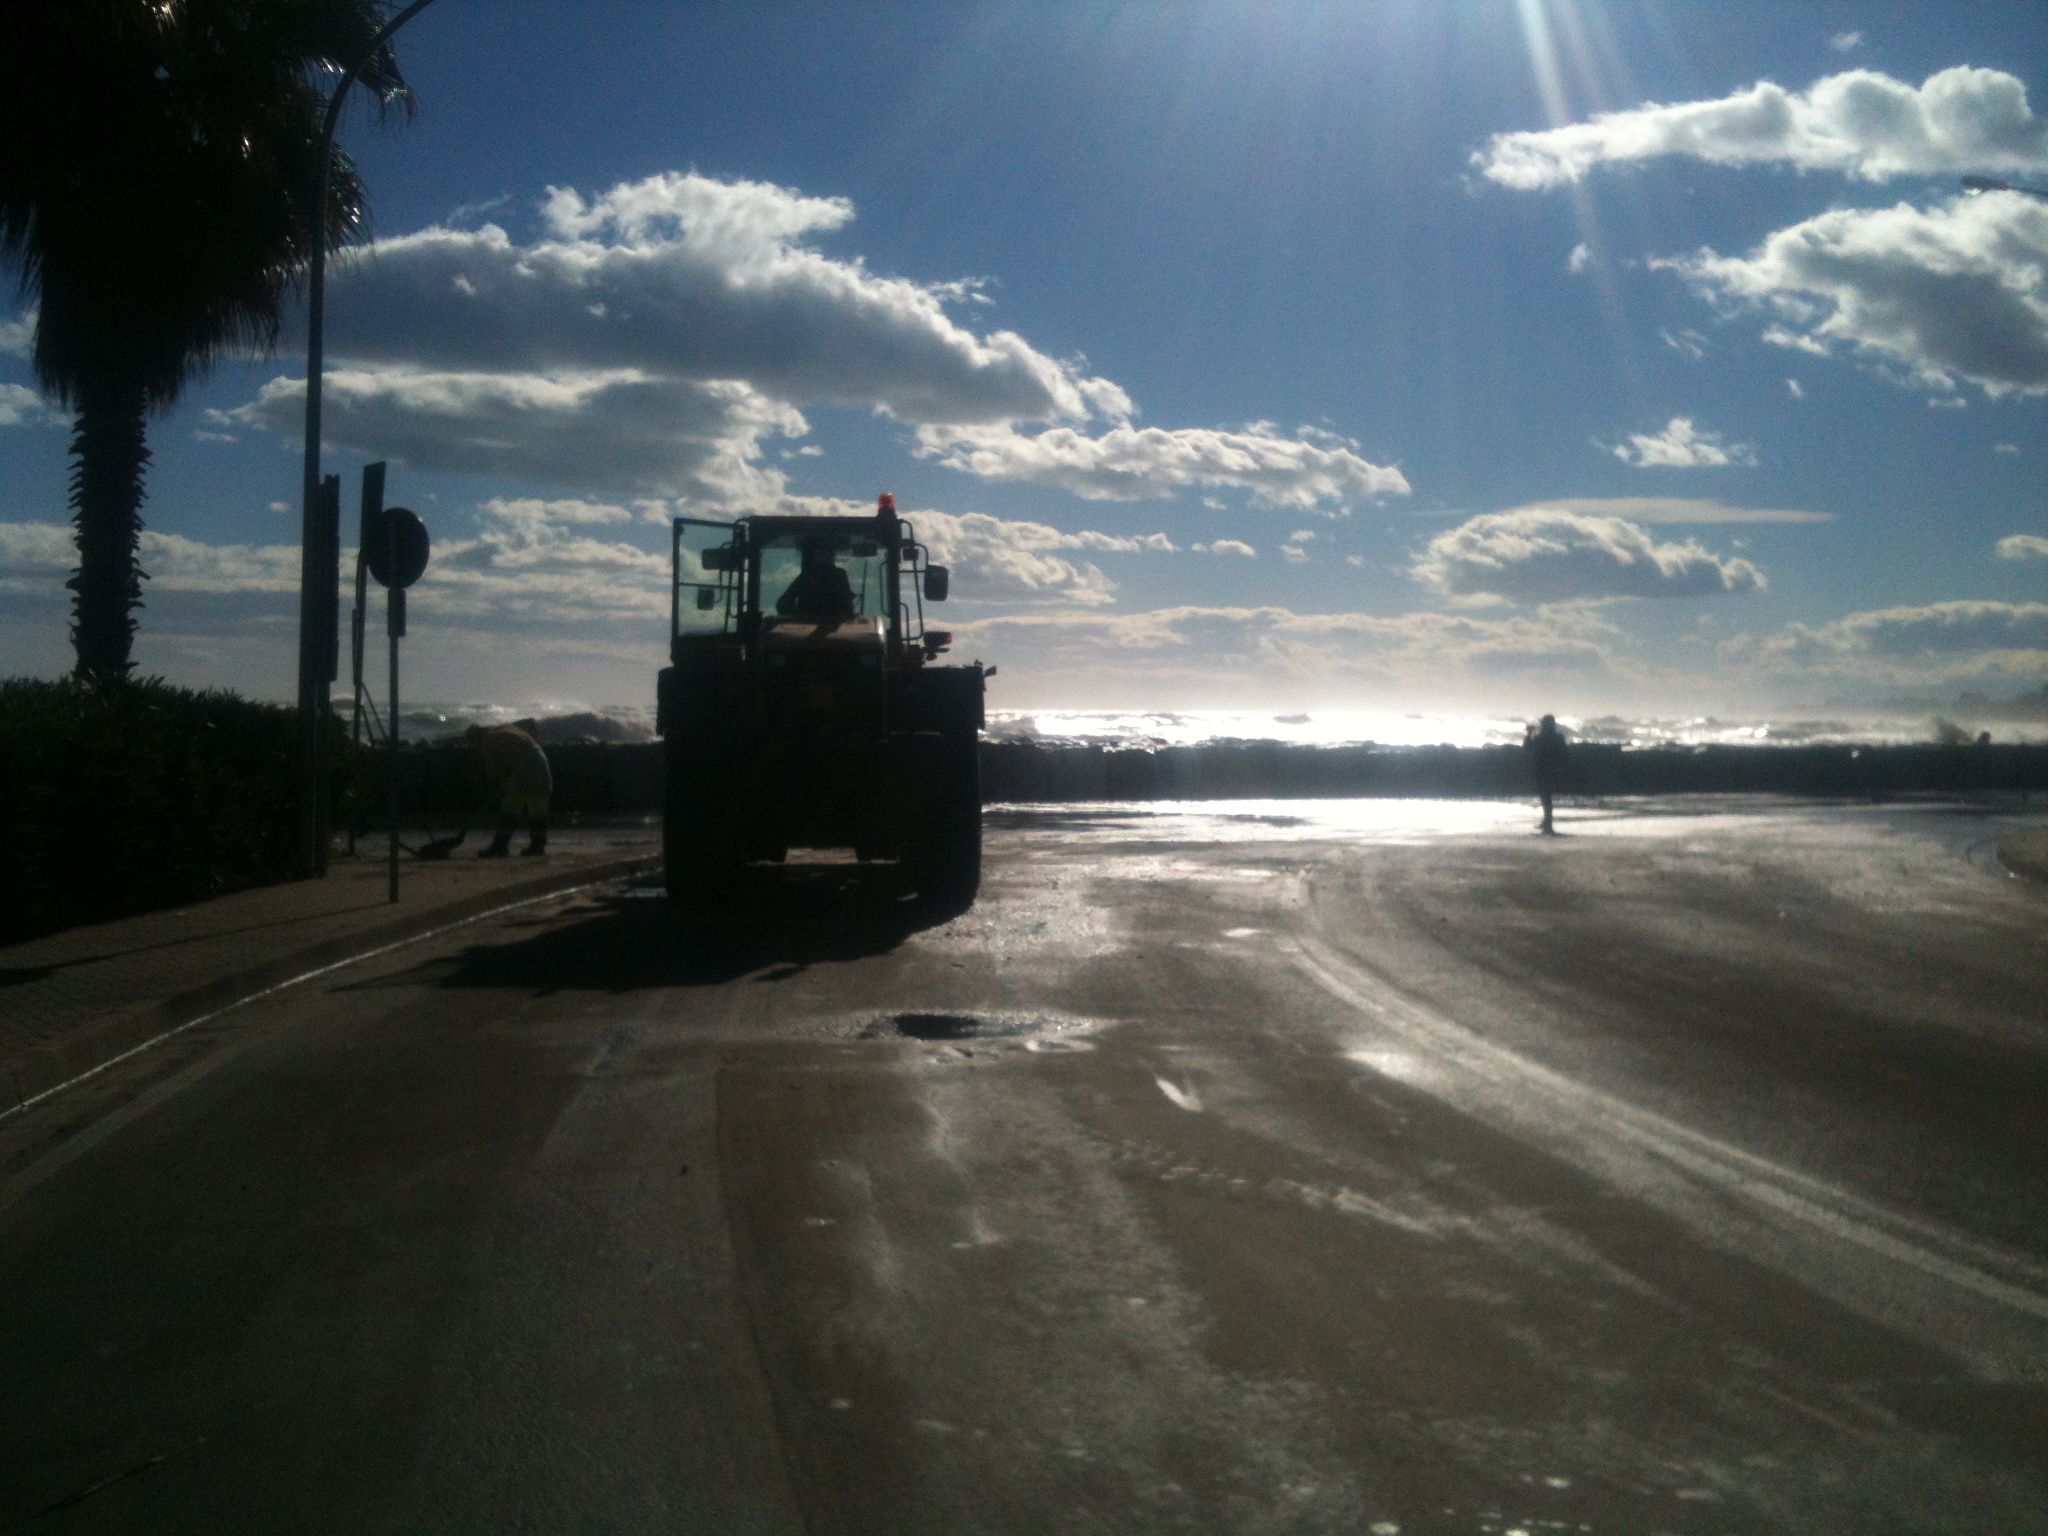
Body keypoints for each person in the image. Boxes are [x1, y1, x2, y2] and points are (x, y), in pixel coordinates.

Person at [467, 722, 551, 857]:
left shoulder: (487, 742)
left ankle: (499, 847)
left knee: (510, 809)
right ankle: (538, 846)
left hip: (524, 765)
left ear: (475, 738)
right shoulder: (504, 729)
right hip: (540, 759)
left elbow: (496, 771)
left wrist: (502, 785)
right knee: (537, 810)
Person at [776, 538, 855, 621]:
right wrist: (798, 620)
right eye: (821, 553)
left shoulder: (807, 576)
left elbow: (782, 604)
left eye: (826, 553)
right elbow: (783, 604)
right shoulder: (808, 576)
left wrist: (798, 619)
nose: (824, 557)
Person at [1523, 714, 1569, 834]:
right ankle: (1547, 820)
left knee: (1545, 796)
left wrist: (1529, 733)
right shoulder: (1559, 738)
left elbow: (1527, 748)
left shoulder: (1540, 738)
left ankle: (1547, 821)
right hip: (1554, 770)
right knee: (1546, 796)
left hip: (1542, 770)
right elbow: (1565, 753)